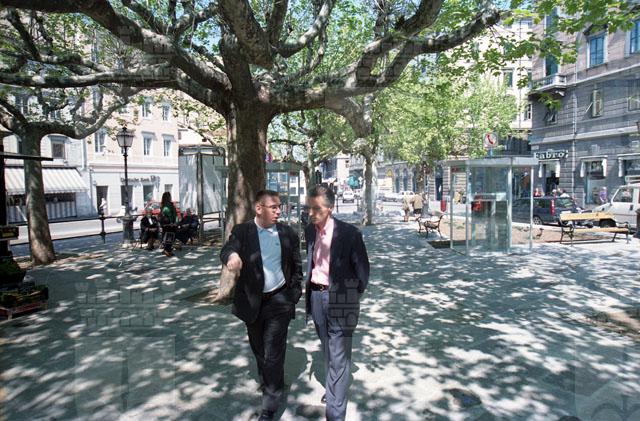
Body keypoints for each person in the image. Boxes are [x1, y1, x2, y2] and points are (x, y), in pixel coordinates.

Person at [220, 190, 303, 421]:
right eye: (273, 207)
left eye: (279, 207)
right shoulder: (243, 231)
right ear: (259, 208)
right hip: (252, 301)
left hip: (280, 301)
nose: (278, 211)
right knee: (259, 349)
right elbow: (228, 249)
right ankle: (272, 381)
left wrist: (293, 294)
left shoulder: (288, 233)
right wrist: (232, 258)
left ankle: (269, 405)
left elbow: (296, 266)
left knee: (273, 353)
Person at [305, 186, 369, 421]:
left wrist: (350, 295)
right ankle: (334, 390)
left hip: (343, 299)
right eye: (309, 208)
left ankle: (335, 413)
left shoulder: (350, 234)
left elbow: (363, 272)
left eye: (317, 209)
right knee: (329, 351)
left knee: (339, 358)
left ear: (330, 208)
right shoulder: (309, 231)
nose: (311, 213)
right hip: (316, 296)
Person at [159, 192, 178, 257]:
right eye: (170, 196)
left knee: (167, 236)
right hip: (169, 224)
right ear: (168, 197)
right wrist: (173, 223)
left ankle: (167, 250)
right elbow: (170, 214)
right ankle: (167, 250)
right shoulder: (168, 205)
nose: (171, 197)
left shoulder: (163, 205)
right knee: (170, 236)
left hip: (165, 224)